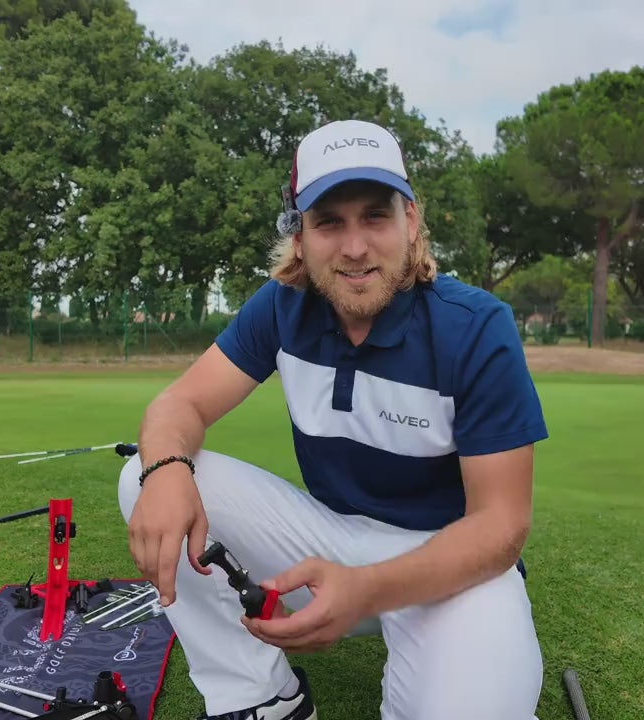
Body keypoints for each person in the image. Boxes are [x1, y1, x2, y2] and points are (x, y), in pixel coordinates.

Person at [117, 118, 548, 720]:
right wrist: (165, 470)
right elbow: (179, 405)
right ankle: (261, 698)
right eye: (328, 222)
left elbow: (501, 526)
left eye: (375, 216)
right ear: (299, 236)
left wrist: (368, 589)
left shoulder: (476, 327)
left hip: (449, 564)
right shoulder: (283, 306)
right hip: (329, 538)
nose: (354, 247)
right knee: (148, 474)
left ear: (411, 222)